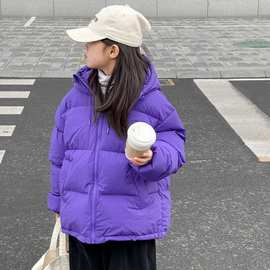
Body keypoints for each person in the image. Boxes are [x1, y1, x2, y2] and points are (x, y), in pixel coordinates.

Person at [47, 4, 186, 270]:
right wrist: (58, 202)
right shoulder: (75, 97)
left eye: (91, 41)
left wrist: (153, 157)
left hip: (129, 232)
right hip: (82, 228)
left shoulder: (150, 100)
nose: (84, 46)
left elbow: (175, 145)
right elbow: (59, 155)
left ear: (113, 50)